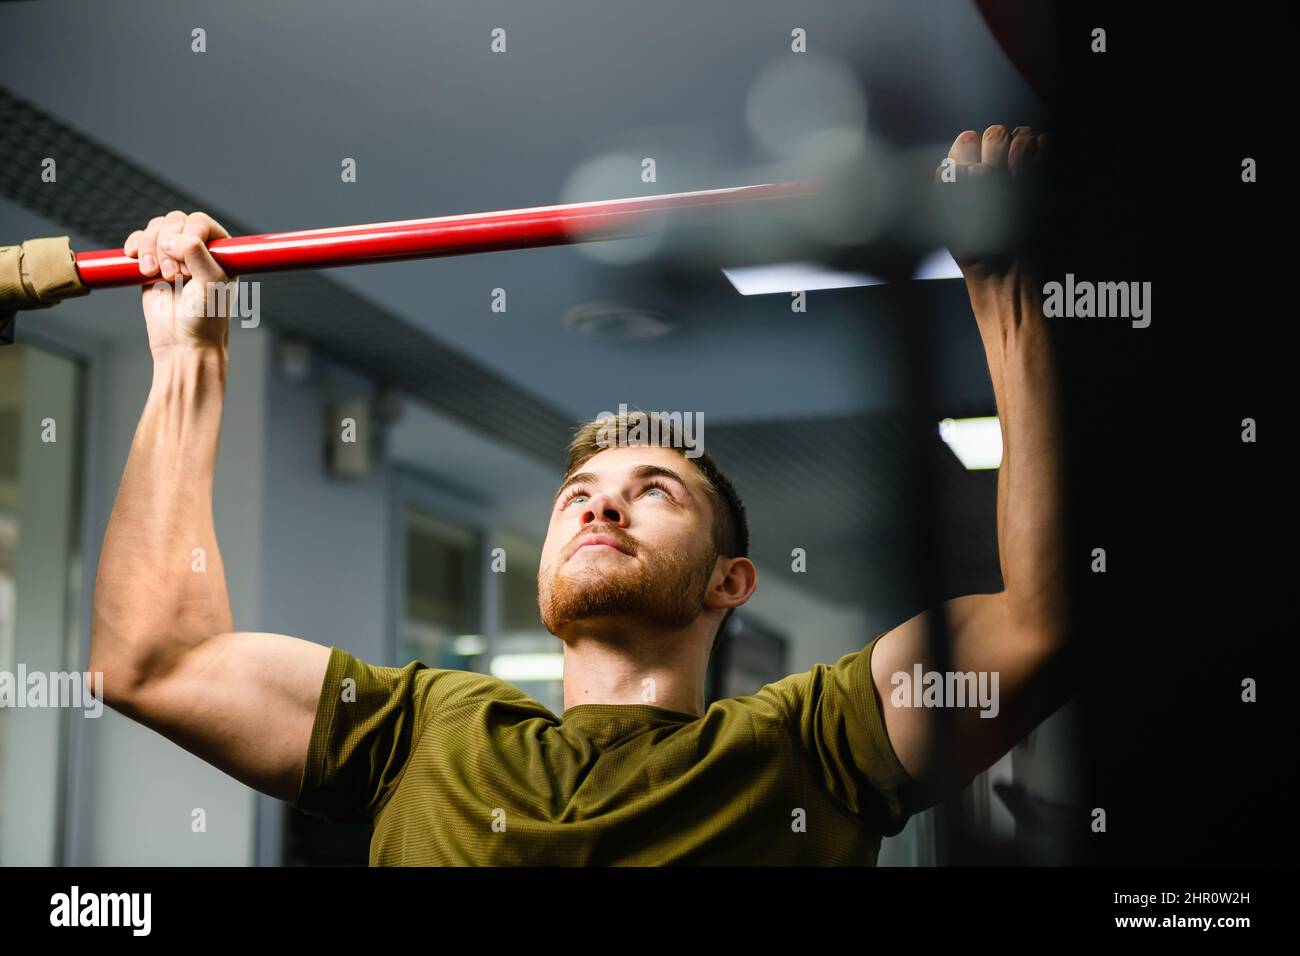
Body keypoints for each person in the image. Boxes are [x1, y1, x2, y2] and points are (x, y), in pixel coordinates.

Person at [90, 125, 1071, 865]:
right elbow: (152, 662)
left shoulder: (808, 743)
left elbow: (1040, 618)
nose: (599, 507)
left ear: (730, 581)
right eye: (579, 495)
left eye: (655, 492)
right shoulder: (424, 726)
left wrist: (1008, 295)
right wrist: (187, 360)